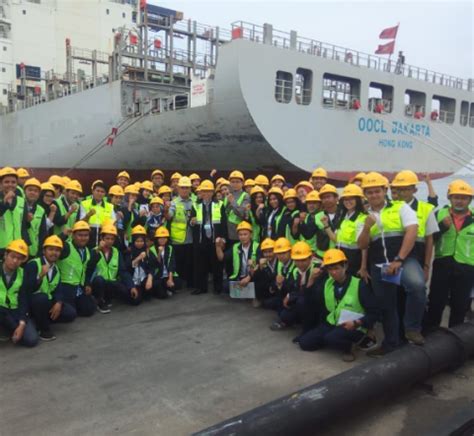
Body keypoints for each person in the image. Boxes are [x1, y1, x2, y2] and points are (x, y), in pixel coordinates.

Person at [357, 172, 425, 356]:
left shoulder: (401, 207)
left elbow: (412, 230)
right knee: (387, 307)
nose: (373, 195)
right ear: (365, 195)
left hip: (403, 260)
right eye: (369, 192)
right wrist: (366, 228)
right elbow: (362, 245)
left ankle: (412, 329)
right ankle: (391, 344)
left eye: (376, 191)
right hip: (379, 266)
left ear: (384, 190)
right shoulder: (363, 217)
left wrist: (399, 259)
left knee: (417, 286)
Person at [298, 249, 378, 362]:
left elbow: (375, 312)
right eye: (330, 269)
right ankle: (332, 340)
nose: (333, 272)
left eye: (336, 268)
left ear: (345, 266)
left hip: (354, 326)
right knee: (305, 343)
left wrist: (357, 323)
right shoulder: (327, 283)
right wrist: (311, 279)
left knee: (331, 338)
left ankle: (350, 347)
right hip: (333, 323)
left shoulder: (359, 285)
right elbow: (309, 299)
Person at [425, 180, 474, 329]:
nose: (459, 201)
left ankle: (455, 340)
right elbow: (429, 240)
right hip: (442, 264)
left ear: (470, 200)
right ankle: (430, 336)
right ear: (449, 197)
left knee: (460, 306)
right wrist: (441, 227)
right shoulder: (439, 214)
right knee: (436, 303)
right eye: (456, 197)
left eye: (464, 198)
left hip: (466, 267)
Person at [26, 236, 77, 341]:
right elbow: (27, 289)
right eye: (51, 249)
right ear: (44, 251)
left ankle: (40, 320)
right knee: (42, 298)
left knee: (70, 313)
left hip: (46, 303)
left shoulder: (56, 268)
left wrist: (58, 303)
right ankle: (43, 329)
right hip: (32, 305)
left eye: (57, 250)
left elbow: (58, 290)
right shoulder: (33, 264)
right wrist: (40, 277)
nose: (54, 253)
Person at [270, 241, 322, 332]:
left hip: (316, 304)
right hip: (302, 299)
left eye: (303, 260)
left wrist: (311, 280)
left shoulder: (318, 269)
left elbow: (314, 294)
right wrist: (289, 295)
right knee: (284, 314)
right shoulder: (296, 271)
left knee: (301, 301)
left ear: (310, 257)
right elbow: (296, 289)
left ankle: (309, 328)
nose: (300, 263)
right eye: (297, 260)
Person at [92, 224, 139, 313]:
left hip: (112, 284)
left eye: (112, 239)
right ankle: (99, 301)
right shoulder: (94, 251)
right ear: (102, 238)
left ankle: (109, 298)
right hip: (98, 284)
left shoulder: (116, 252)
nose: (109, 241)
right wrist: (98, 249)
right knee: (99, 280)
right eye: (107, 238)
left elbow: (123, 271)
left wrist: (131, 286)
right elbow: (89, 268)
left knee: (133, 299)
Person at [0, 239, 39, 347]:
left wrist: (22, 324)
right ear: (5, 255)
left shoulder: (23, 274)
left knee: (31, 340)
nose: (15, 261)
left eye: (19, 258)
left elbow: (24, 300)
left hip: (14, 311)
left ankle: (9, 328)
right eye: (13, 256)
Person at [190, 180, 226, 295]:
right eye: (204, 191)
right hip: (201, 239)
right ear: (200, 192)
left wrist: (222, 238)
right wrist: (192, 221)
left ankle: (218, 288)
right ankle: (201, 288)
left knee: (216, 265)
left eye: (208, 191)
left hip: (215, 239)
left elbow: (223, 223)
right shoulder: (195, 205)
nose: (206, 193)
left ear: (212, 192)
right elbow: (190, 222)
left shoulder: (220, 204)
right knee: (200, 265)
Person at [326, 184, 368, 279]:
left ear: (358, 200)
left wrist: (363, 267)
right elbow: (336, 240)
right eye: (345, 199)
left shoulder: (362, 218)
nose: (348, 202)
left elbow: (364, 247)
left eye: (351, 199)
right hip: (341, 261)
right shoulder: (343, 217)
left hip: (354, 261)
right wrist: (326, 226)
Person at [57, 221, 97, 317]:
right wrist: (63, 235)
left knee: (89, 309)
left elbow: (85, 270)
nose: (83, 238)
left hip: (79, 288)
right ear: (73, 235)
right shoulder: (66, 247)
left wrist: (87, 284)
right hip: (65, 288)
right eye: (80, 235)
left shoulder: (87, 250)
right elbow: (54, 244)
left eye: (86, 235)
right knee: (70, 314)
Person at [167, 176, 195, 288]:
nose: (185, 190)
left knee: (190, 263)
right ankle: (178, 283)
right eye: (182, 187)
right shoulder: (173, 203)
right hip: (178, 239)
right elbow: (169, 217)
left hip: (192, 238)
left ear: (190, 189)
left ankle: (190, 283)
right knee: (178, 263)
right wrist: (165, 210)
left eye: (187, 187)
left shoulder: (195, 201)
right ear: (178, 189)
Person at [216, 221, 259, 293]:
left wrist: (249, 277)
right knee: (225, 286)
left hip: (252, 277)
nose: (243, 237)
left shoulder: (257, 246)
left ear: (251, 235)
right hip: (239, 277)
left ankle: (247, 292)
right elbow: (221, 258)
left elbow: (261, 265)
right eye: (240, 235)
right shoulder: (235, 247)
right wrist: (217, 246)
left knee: (260, 284)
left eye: (245, 234)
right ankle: (246, 292)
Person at [0, 167, 29, 256]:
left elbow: (23, 226)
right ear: (1, 184)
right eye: (6, 182)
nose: (10, 184)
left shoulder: (22, 201)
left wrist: (26, 245)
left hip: (17, 247)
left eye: (13, 182)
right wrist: (5, 202)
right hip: (1, 247)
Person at [79, 180, 114, 248]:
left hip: (103, 237)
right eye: (97, 191)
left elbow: (113, 223)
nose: (99, 193)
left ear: (105, 194)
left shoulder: (110, 206)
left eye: (102, 192)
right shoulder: (84, 203)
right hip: (88, 236)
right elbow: (81, 223)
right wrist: (88, 215)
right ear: (93, 191)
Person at [148, 226, 180, 298]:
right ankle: (162, 289)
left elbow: (172, 263)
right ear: (157, 239)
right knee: (162, 295)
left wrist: (170, 279)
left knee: (177, 284)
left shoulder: (170, 248)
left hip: (168, 275)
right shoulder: (152, 249)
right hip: (158, 276)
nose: (163, 240)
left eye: (165, 238)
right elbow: (155, 264)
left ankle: (168, 287)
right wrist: (159, 253)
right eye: (160, 238)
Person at [125, 225, 154, 300]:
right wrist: (138, 258)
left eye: (141, 241)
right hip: (133, 281)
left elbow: (151, 266)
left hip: (143, 279)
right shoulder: (129, 252)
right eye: (137, 241)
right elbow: (126, 268)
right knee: (135, 300)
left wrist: (149, 279)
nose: (139, 243)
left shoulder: (147, 251)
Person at [224, 170, 251, 245]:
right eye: (232, 182)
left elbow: (242, 214)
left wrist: (232, 202)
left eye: (237, 182)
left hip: (239, 232)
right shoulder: (227, 195)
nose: (235, 184)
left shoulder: (245, 196)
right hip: (227, 231)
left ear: (242, 183)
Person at [23, 178, 48, 257]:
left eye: (36, 191)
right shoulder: (18, 206)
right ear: (24, 191)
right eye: (30, 190)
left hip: (33, 251)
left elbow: (43, 233)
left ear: (39, 193)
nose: (32, 193)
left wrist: (40, 251)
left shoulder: (41, 210)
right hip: (18, 249)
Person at [253, 238, 277, 308]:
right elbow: (255, 278)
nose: (268, 254)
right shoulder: (262, 261)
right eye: (265, 252)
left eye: (270, 251)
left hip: (276, 288)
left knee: (268, 304)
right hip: (268, 289)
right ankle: (259, 298)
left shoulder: (279, 261)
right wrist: (260, 268)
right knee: (258, 275)